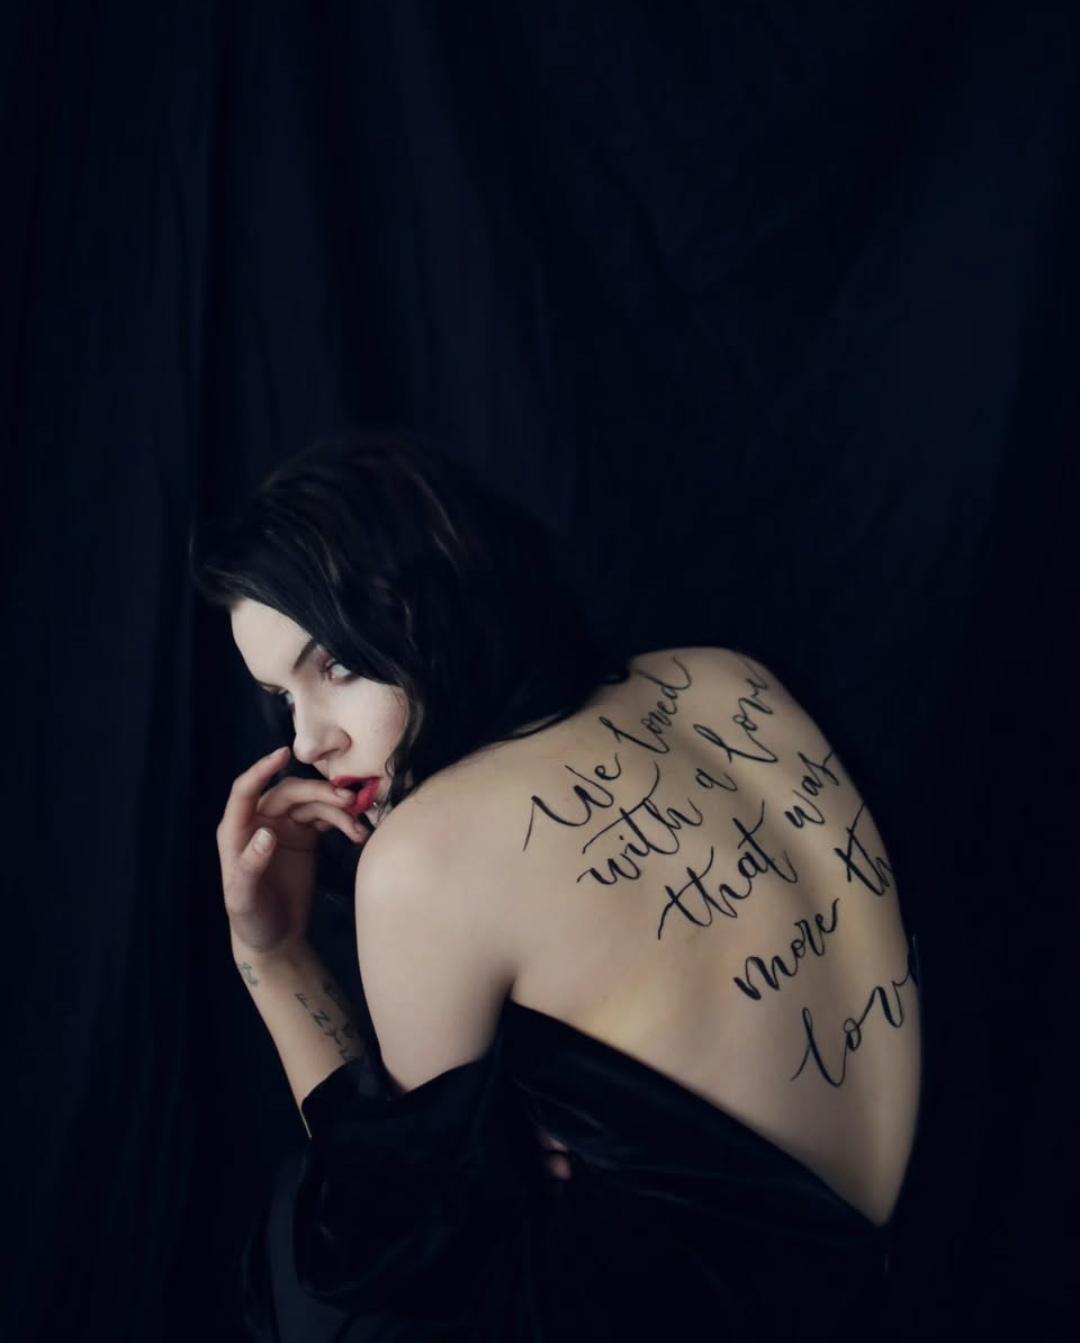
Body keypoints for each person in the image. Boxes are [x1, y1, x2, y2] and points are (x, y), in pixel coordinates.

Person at [189, 426, 926, 1342]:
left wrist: (273, 955)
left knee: (305, 1261)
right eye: (282, 698)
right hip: (940, 1243)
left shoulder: (426, 853)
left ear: (431, 602)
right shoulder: (729, 678)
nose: (309, 742)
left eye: (335, 665)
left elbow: (389, 1235)